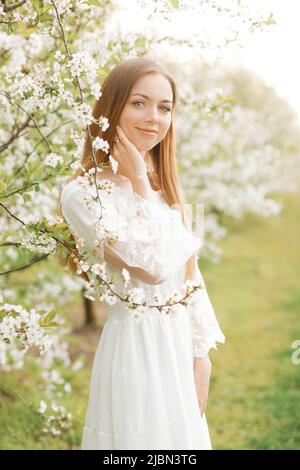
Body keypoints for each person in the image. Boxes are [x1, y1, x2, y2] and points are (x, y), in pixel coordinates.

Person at [60, 57, 225, 450]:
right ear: (111, 108)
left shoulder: (160, 188)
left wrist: (201, 355)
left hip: (177, 344)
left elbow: (188, 274)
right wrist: (137, 182)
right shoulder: (84, 195)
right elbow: (152, 267)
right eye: (139, 102)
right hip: (135, 350)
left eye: (164, 107)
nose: (153, 117)